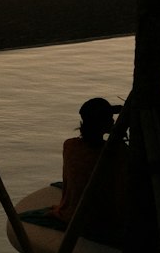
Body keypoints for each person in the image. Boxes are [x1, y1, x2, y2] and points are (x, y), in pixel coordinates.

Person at [51, 97, 126, 239]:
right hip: (105, 220)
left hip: (74, 213)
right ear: (102, 123)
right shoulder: (116, 152)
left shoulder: (69, 145)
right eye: (110, 118)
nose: (113, 121)